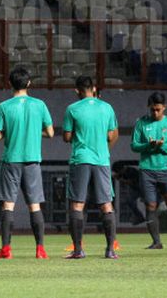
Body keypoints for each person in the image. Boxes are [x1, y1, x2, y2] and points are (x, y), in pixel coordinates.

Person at [0, 66, 53, 259]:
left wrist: (8, 133)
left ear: (10, 84)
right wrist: (35, 131)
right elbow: (50, 133)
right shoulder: (40, 105)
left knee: (8, 205)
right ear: (29, 83)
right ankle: (40, 248)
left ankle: (6, 249)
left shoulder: (4, 107)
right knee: (34, 205)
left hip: (11, 160)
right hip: (32, 160)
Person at [63, 76, 119, 260]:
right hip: (102, 160)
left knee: (78, 204)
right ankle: (110, 250)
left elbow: (67, 136)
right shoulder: (107, 107)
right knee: (106, 204)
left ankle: (78, 250)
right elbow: (111, 135)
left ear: (77, 90)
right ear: (94, 88)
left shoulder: (72, 109)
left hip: (81, 159)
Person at [131, 92, 167, 250]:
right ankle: (156, 242)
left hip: (165, 170)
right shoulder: (141, 123)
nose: (155, 113)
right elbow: (134, 145)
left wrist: (162, 146)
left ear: (164, 108)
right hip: (147, 170)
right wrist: (149, 145)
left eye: (158, 110)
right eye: (153, 110)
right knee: (150, 206)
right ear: (149, 108)